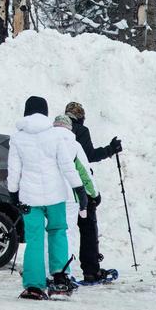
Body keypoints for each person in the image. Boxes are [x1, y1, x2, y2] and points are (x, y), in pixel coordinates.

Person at [7, 96, 88, 300]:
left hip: (29, 197)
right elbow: (67, 165)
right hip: (55, 196)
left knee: (34, 239)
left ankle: (34, 287)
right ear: (45, 112)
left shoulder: (17, 138)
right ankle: (60, 280)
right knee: (58, 232)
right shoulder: (55, 135)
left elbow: (14, 170)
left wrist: (13, 194)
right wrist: (80, 189)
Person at [65, 101, 122, 284]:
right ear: (81, 117)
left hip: (60, 189)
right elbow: (87, 157)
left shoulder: (55, 131)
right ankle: (91, 271)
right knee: (88, 229)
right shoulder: (81, 131)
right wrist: (110, 149)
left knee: (62, 231)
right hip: (81, 189)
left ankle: (60, 270)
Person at [52, 114, 97, 279]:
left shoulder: (46, 142)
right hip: (70, 197)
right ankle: (65, 272)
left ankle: (47, 270)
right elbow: (84, 173)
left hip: (49, 196)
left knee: (49, 232)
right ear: (69, 128)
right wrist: (93, 194)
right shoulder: (74, 144)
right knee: (66, 233)